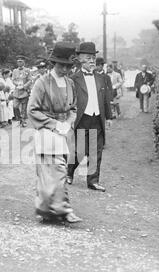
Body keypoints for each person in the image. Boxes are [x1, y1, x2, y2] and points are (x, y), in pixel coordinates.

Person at [28, 42, 82, 224]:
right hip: (46, 130)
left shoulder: (70, 83)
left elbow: (74, 108)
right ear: (54, 63)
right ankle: (58, 210)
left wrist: (67, 123)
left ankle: (52, 210)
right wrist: (54, 124)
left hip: (64, 131)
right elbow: (32, 110)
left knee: (60, 169)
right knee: (48, 171)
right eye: (61, 65)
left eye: (68, 65)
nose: (65, 69)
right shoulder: (41, 83)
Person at [66, 42, 113, 192]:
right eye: (88, 57)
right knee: (80, 151)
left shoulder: (101, 78)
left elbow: (105, 99)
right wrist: (69, 118)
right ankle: (69, 172)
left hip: (97, 118)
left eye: (93, 57)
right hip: (82, 118)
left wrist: (109, 117)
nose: (92, 60)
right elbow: (69, 100)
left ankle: (93, 181)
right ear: (79, 59)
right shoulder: (73, 78)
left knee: (96, 150)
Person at [12, 55, 32, 127]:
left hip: (24, 92)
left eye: (21, 62)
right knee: (15, 107)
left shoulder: (27, 70)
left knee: (24, 108)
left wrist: (24, 86)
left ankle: (23, 121)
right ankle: (19, 119)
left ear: (24, 62)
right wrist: (17, 84)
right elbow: (13, 80)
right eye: (18, 62)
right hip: (17, 92)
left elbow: (30, 80)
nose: (19, 63)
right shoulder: (15, 71)